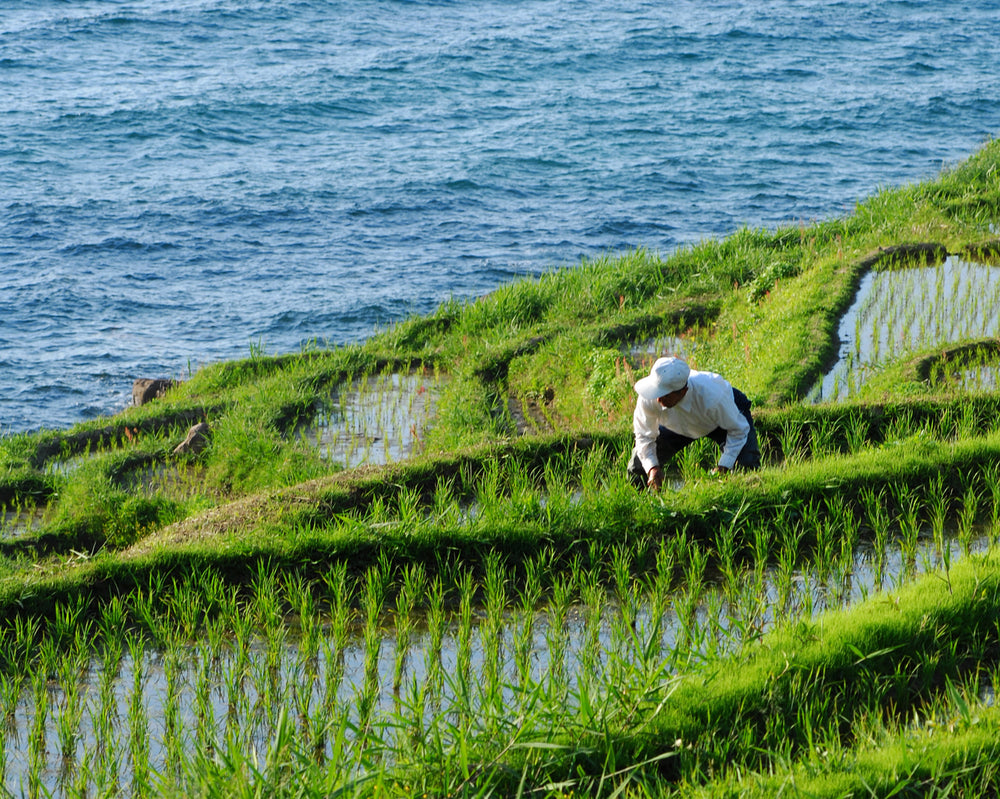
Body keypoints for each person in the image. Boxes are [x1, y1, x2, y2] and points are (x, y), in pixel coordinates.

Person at [628, 356, 761, 490]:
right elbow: (643, 435)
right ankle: (645, 505)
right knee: (638, 465)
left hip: (719, 420)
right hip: (675, 425)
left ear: (683, 392)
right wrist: (652, 468)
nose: (657, 399)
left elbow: (738, 430)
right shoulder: (649, 396)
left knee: (746, 463)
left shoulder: (713, 397)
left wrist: (724, 465)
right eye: (657, 391)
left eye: (665, 395)